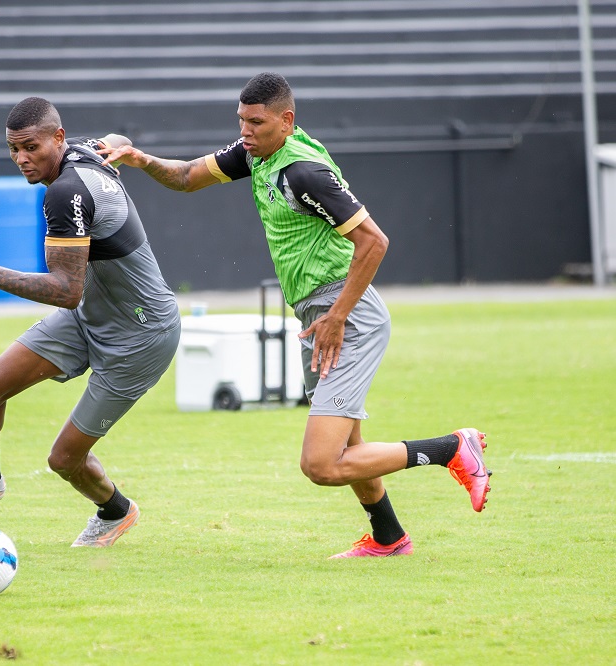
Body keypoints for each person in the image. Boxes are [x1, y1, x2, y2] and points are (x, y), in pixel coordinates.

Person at [99, 73, 491, 558]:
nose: (245, 130)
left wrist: (339, 315)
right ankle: (389, 537)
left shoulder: (303, 172)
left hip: (346, 315)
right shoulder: (256, 153)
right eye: (240, 120)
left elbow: (374, 241)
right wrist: (138, 159)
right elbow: (184, 178)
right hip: (317, 312)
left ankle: (452, 448)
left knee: (322, 464)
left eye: (255, 122)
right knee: (349, 445)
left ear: (286, 121)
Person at [0, 97, 181, 548]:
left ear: (57, 138)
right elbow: (117, 139)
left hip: (141, 336)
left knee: (64, 460)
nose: (21, 159)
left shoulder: (65, 193)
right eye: (13, 149)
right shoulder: (81, 151)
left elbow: (64, 290)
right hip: (88, 316)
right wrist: (119, 148)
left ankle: (116, 511)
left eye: (30, 147)